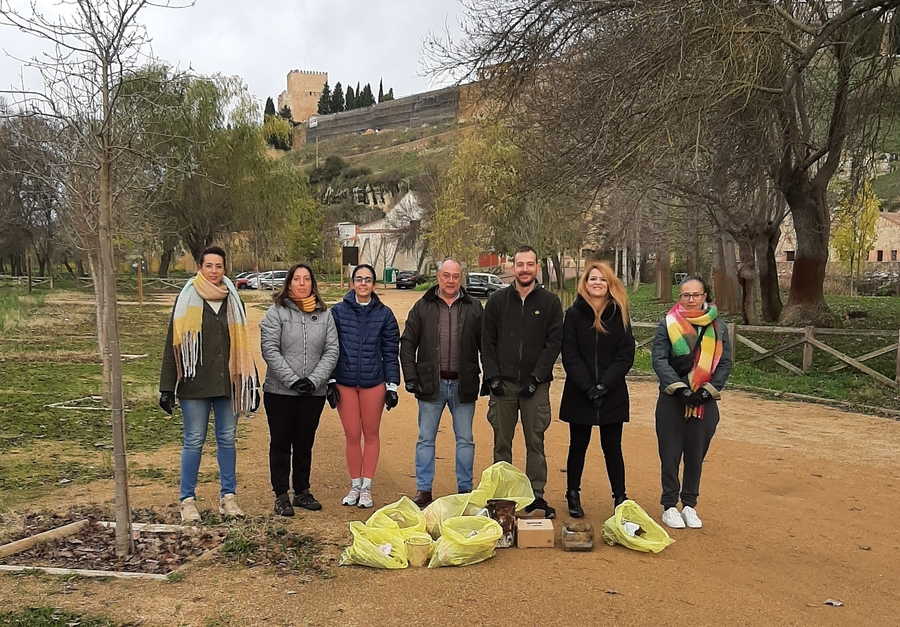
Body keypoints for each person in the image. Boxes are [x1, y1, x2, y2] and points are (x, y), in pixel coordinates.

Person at [159, 245, 259, 522]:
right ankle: (187, 501)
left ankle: (229, 498)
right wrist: (167, 387)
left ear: (225, 269)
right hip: (194, 384)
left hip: (228, 383)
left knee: (227, 439)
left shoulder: (233, 300)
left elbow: (242, 346)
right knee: (194, 440)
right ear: (200, 268)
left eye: (219, 266)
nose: (214, 271)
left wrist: (251, 383)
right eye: (208, 266)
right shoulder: (186, 299)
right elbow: (172, 344)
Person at [481, 245, 563, 518]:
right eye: (520, 264)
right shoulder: (497, 301)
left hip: (535, 387)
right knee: (501, 443)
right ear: (512, 267)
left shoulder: (550, 303)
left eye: (530, 264)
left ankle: (535, 497)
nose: (525, 269)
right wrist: (492, 376)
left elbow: (553, 344)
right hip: (503, 386)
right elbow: (487, 341)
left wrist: (536, 377)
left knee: (535, 442)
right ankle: (502, 499)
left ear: (537, 267)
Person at [400, 258, 483, 507]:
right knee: (426, 438)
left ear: (461, 278)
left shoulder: (474, 307)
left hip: (463, 384)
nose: (450, 281)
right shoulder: (423, 306)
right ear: (438, 277)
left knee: (465, 439)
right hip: (430, 384)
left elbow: (487, 344)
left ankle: (465, 489)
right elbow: (407, 343)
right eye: (446, 275)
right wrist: (411, 376)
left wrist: (491, 376)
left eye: (455, 276)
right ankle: (423, 489)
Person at [651, 275, 732, 529]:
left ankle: (689, 504)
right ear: (680, 297)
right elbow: (659, 360)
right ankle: (669, 505)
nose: (691, 299)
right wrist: (681, 390)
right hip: (673, 399)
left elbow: (725, 363)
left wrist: (707, 392)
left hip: (704, 402)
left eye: (696, 295)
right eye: (686, 295)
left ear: (704, 296)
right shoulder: (667, 323)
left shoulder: (718, 327)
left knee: (695, 455)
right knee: (670, 454)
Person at [259, 263, 339, 517]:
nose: (302, 283)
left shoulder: (325, 315)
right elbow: (270, 349)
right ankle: (281, 494)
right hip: (280, 392)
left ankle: (302, 491)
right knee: (281, 443)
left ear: (312, 283)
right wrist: (292, 380)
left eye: (306, 279)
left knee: (305, 443)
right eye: (297, 279)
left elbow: (331, 350)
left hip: (312, 393)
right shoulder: (276, 312)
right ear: (289, 283)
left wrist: (314, 381)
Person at [559, 261, 635, 518]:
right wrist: (588, 386)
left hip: (612, 392)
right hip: (580, 392)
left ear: (609, 283)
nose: (597, 283)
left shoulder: (620, 313)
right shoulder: (573, 314)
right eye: (593, 278)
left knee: (613, 447)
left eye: (602, 279)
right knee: (577, 446)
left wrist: (604, 385)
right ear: (585, 283)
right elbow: (570, 354)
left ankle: (620, 497)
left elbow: (625, 355)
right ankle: (572, 493)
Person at [329, 264, 401, 509]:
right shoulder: (337, 312)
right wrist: (330, 380)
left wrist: (392, 385)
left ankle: (367, 487)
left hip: (373, 383)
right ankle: (354, 485)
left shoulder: (385, 314)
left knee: (371, 435)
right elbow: (331, 348)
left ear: (374, 284)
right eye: (359, 279)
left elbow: (390, 352)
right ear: (352, 283)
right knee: (352, 435)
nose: (363, 283)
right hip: (345, 382)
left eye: (368, 279)